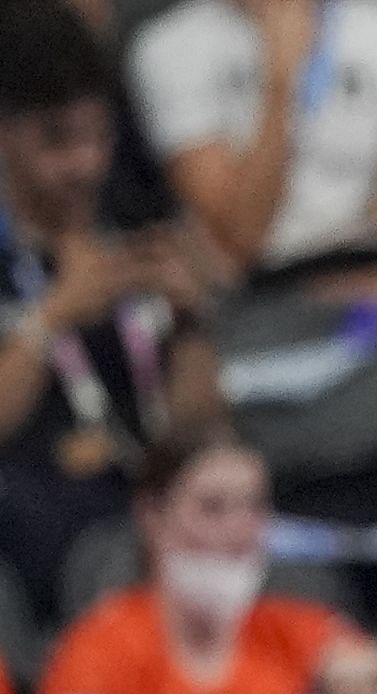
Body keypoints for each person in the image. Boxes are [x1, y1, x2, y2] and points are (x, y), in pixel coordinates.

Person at [126, 0, 377, 388]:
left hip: (373, 253)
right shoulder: (169, 47)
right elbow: (238, 239)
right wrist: (281, 80)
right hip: (265, 280)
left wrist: (347, 261)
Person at [0, 0, 224, 630]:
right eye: (57, 140)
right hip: (27, 513)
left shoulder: (136, 225)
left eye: (99, 137)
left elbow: (198, 434)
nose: (86, 164)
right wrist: (54, 316)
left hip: (143, 506)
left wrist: (187, 325)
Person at [36, 436, 377, 694]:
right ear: (153, 517)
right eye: (212, 507)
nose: (239, 532)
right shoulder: (103, 644)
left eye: (254, 507)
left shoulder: (296, 629)